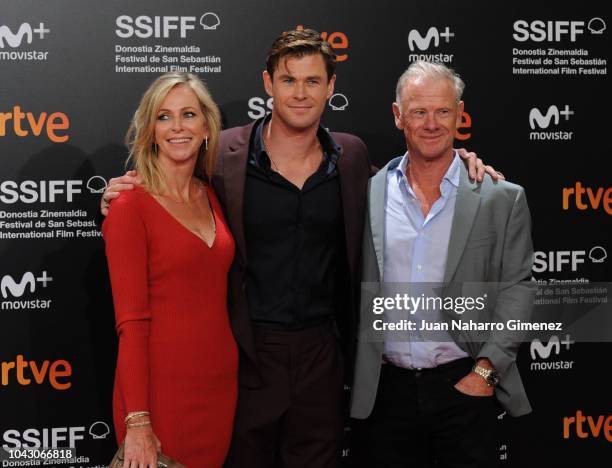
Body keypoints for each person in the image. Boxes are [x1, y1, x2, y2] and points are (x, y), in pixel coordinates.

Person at [101, 29, 502, 468]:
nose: (300, 93)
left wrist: (461, 162)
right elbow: (168, 180)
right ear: (268, 84)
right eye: (289, 80)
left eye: (313, 81)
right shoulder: (222, 157)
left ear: (330, 88)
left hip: (322, 361)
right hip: (245, 359)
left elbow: (410, 181)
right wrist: (119, 193)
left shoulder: (350, 158)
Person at [349, 61, 536, 467]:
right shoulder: (364, 194)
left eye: (443, 111)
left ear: (459, 114)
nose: (432, 123)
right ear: (398, 115)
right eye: (419, 111)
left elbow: (518, 288)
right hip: (385, 393)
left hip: (464, 386)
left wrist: (485, 373)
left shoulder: (499, 197)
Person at [102, 72, 237, 468]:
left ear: (208, 127)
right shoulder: (129, 207)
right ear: (150, 130)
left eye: (189, 114)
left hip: (218, 390)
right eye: (164, 117)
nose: (178, 127)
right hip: (160, 397)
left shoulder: (210, 193)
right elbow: (131, 323)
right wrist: (138, 421)